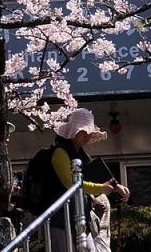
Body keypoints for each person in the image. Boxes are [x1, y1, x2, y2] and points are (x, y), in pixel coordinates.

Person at [46, 108, 130, 252]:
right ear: (72, 131)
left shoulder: (81, 155)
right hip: (62, 218)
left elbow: (96, 175)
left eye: (88, 132)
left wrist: (116, 186)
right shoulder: (60, 153)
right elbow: (71, 183)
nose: (86, 136)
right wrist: (100, 188)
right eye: (82, 131)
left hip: (80, 218)